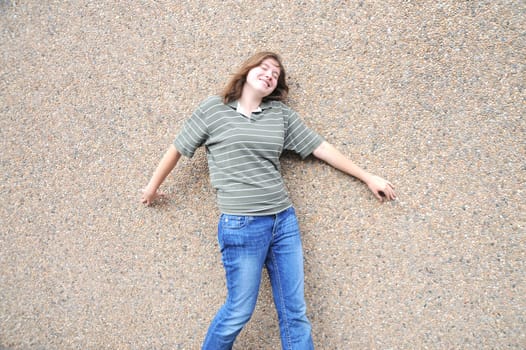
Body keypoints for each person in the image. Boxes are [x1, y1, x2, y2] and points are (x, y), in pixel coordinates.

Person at [141, 51, 396, 350]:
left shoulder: (280, 116)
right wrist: (151, 188)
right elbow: (177, 148)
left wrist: (367, 176)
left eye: (276, 74)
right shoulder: (214, 109)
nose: (270, 74)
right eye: (264, 68)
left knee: (295, 313)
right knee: (238, 312)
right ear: (247, 72)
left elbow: (320, 147)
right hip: (241, 225)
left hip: (283, 222)